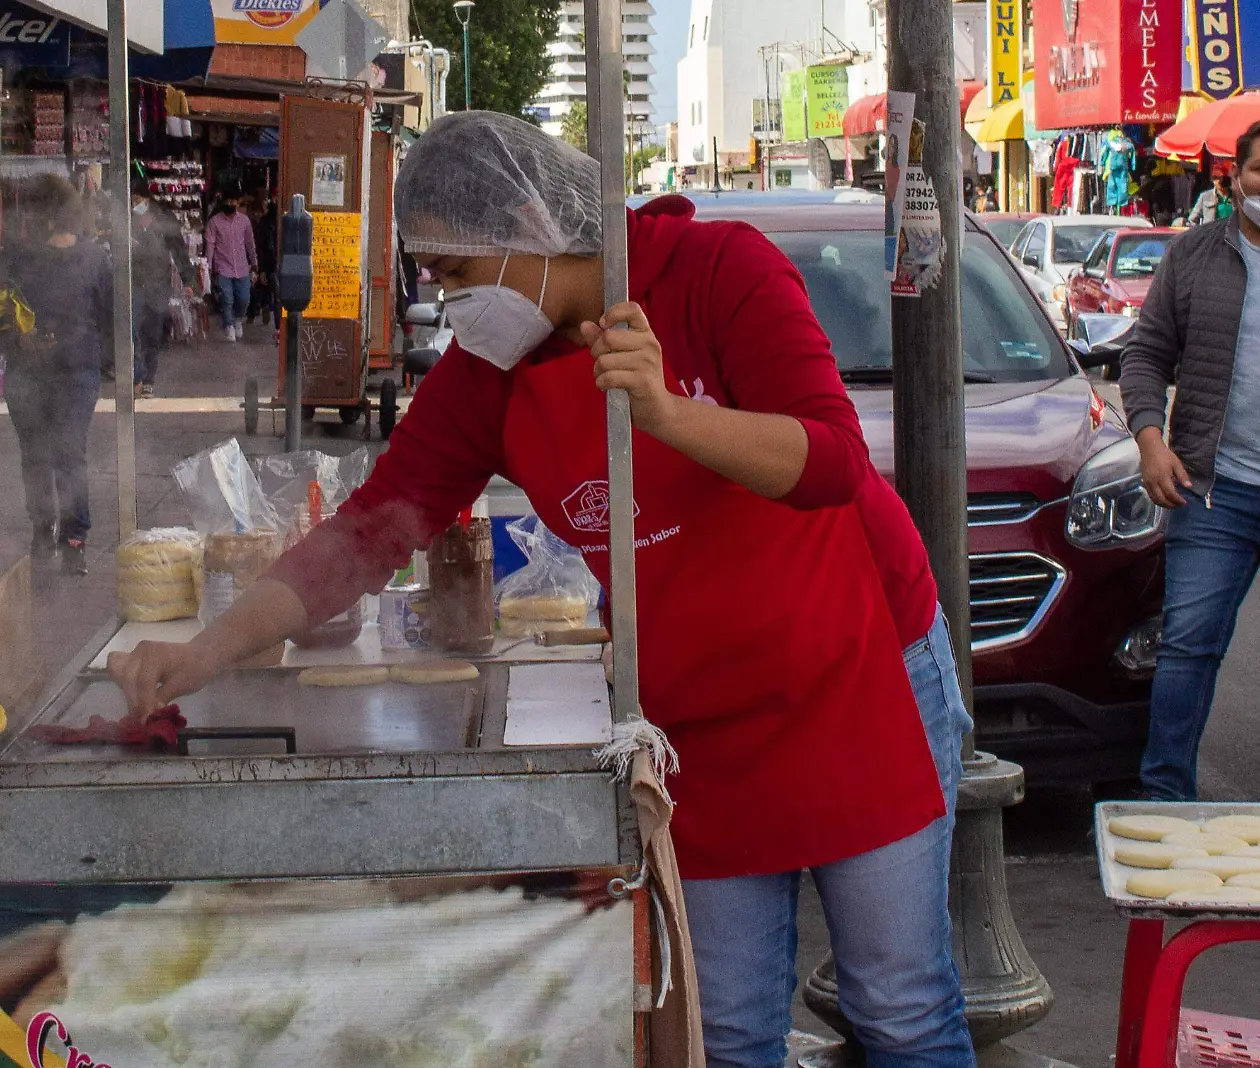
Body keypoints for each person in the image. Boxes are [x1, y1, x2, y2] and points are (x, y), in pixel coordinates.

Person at [107, 112, 972, 1068]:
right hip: (694, 720)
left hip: (855, 674)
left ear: (528, 220)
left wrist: (666, 413)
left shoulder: (720, 270)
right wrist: (202, 652)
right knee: (721, 1033)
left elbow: (834, 465)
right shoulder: (489, 375)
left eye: (454, 275)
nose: (449, 304)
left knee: (899, 1008)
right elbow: (369, 533)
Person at [1120, 121, 1260, 800]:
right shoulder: (1197, 256)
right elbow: (1145, 355)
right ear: (1235, 176)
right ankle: (1164, 804)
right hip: (1214, 491)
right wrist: (1150, 439)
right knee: (1187, 651)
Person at [0, 176, 112, 576]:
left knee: (69, 453)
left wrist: (99, 356)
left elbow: (111, 320)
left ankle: (74, 538)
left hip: (76, 374)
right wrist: (17, 343)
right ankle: (43, 527)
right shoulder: (15, 259)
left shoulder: (94, 259)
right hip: (28, 374)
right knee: (36, 455)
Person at [129, 181, 186, 398]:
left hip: (158, 284)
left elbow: (178, 250)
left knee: (152, 335)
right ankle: (137, 376)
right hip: (134, 283)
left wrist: (188, 280)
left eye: (138, 201)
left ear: (147, 199)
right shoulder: (128, 219)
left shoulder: (164, 219)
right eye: (133, 201)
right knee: (133, 333)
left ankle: (148, 380)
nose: (135, 205)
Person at [204, 194, 257, 342]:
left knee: (244, 299)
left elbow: (250, 243)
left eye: (232, 200)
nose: (230, 203)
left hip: (242, 267)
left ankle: (238, 318)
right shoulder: (214, 222)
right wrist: (208, 266)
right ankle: (229, 326)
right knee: (227, 298)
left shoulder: (244, 221)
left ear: (237, 202)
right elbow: (210, 244)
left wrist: (254, 264)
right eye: (227, 200)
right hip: (223, 267)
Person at [247, 192, 279, 334]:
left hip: (268, 262)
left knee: (262, 287)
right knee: (276, 295)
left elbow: (260, 246)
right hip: (276, 262)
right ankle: (278, 327)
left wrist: (261, 268)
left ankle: (256, 311)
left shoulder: (264, 222)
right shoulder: (280, 222)